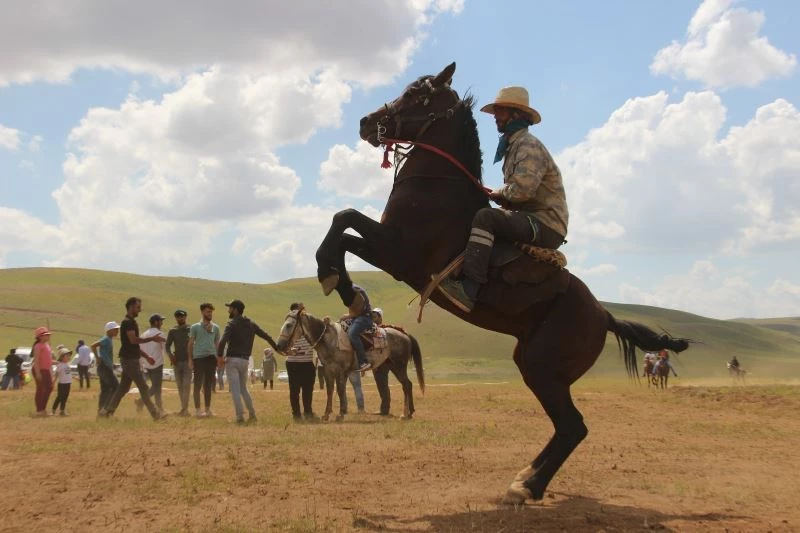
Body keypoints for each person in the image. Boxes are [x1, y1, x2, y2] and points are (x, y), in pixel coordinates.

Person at [439, 86, 568, 312]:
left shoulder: (528, 145)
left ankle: (469, 289)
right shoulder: (514, 146)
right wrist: (504, 198)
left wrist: (500, 194)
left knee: (486, 218)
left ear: (516, 114)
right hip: (533, 219)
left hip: (545, 225)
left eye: (500, 110)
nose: (495, 116)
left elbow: (522, 191)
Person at [98, 297, 167, 421]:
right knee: (143, 387)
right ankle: (156, 414)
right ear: (130, 307)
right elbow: (133, 340)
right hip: (130, 361)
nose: (139, 310)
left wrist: (146, 356)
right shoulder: (128, 323)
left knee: (123, 388)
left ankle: (107, 412)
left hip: (130, 359)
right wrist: (152, 339)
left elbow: (133, 345)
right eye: (137, 307)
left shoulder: (131, 322)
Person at [217, 299, 279, 424]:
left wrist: (219, 357)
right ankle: (252, 414)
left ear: (235, 310)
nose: (228, 310)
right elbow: (266, 336)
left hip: (232, 360)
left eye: (230, 308)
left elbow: (222, 341)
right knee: (243, 389)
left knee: (235, 389)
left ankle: (240, 416)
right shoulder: (251, 323)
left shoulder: (231, 324)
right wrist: (277, 348)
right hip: (245, 361)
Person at [284, 302, 318, 422]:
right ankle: (296, 414)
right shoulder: (288, 326)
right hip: (293, 362)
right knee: (294, 390)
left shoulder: (309, 325)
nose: (304, 312)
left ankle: (308, 412)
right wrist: (289, 350)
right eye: (301, 310)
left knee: (308, 389)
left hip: (308, 362)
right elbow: (282, 343)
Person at [188, 302, 220, 418]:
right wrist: (190, 359)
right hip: (199, 358)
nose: (210, 314)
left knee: (208, 385)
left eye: (211, 312)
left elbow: (217, 343)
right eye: (208, 312)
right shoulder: (195, 327)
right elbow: (190, 344)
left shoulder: (216, 327)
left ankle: (207, 409)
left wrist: (218, 357)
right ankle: (197, 410)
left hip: (211, 358)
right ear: (202, 312)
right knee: (197, 384)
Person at [139, 313, 167, 414]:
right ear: (155, 322)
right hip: (157, 363)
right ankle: (141, 401)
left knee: (155, 387)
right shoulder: (159, 334)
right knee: (156, 387)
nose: (162, 323)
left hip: (146, 364)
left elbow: (140, 350)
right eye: (160, 321)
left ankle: (160, 408)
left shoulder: (144, 334)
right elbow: (165, 347)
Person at [166, 309, 192, 416]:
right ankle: (184, 408)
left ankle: (185, 409)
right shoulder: (173, 331)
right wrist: (171, 356)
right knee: (180, 386)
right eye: (178, 317)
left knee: (186, 385)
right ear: (176, 318)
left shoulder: (191, 329)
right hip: (177, 362)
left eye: (182, 316)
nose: (180, 318)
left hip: (188, 361)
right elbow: (167, 346)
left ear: (185, 317)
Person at [91, 322, 120, 413]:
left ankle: (101, 410)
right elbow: (93, 345)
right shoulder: (106, 339)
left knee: (105, 390)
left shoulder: (108, 339)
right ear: (109, 330)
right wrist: (97, 357)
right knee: (116, 387)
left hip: (104, 367)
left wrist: (112, 364)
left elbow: (105, 354)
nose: (117, 331)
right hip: (104, 367)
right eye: (115, 329)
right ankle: (105, 408)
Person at [347, 284, 374, 372]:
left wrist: (348, 316)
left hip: (365, 317)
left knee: (352, 334)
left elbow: (361, 309)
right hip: (357, 317)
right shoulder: (349, 291)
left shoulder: (355, 290)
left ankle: (364, 362)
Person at [32, 326, 54, 416]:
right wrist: (38, 373)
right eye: (46, 335)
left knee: (49, 388)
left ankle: (43, 408)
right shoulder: (38, 346)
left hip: (46, 369)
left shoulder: (47, 345)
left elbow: (48, 359)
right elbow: (36, 360)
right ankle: (39, 410)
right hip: (40, 369)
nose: (48, 336)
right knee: (41, 389)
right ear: (40, 336)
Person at [51, 347, 73, 416]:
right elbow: (56, 374)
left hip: (67, 383)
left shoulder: (67, 364)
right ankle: (58, 410)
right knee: (61, 397)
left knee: (64, 397)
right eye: (67, 356)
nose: (69, 357)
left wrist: (75, 378)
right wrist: (53, 382)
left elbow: (68, 373)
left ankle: (59, 410)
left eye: (69, 356)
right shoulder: (60, 365)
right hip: (62, 384)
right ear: (62, 357)